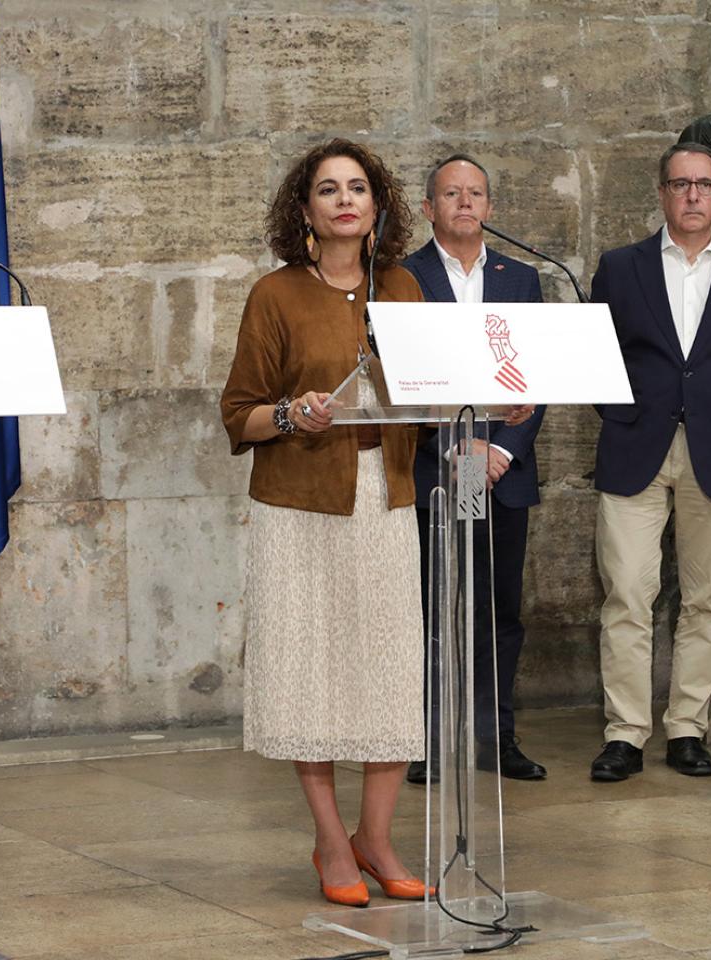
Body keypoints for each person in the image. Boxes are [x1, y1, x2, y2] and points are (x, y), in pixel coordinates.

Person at [219, 139, 435, 908]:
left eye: (358, 188)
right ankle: (327, 840)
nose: (345, 200)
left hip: (386, 499)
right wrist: (290, 413)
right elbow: (237, 414)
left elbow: (431, 391)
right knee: (311, 676)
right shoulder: (276, 294)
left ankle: (375, 839)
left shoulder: (404, 288)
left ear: (378, 206)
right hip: (299, 508)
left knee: (387, 671)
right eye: (327, 190)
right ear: (304, 210)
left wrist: (485, 404)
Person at [588, 143, 711, 782]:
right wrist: (634, 412)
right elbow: (599, 357)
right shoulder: (621, 268)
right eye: (681, 185)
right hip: (635, 444)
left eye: (704, 184)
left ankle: (687, 729)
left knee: (705, 598)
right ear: (663, 194)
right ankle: (625, 733)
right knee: (627, 594)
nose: (693, 196)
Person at [402, 154, 548, 785]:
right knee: (432, 608)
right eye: (451, 194)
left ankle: (496, 736)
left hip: (500, 470)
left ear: (490, 208)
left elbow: (540, 381)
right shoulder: (402, 278)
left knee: (499, 610)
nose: (465, 203)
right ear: (428, 207)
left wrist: (499, 450)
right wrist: (455, 445)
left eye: (476, 194)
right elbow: (397, 381)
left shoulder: (521, 279)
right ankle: (428, 739)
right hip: (435, 471)